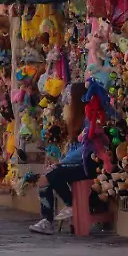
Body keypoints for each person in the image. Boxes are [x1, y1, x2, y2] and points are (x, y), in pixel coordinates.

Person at [31, 83, 96, 234]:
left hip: (88, 164)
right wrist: (62, 161)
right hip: (76, 163)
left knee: (51, 174)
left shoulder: (89, 120)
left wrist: (63, 162)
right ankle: (48, 218)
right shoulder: (76, 121)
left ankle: (69, 205)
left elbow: (86, 148)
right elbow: (73, 148)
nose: (67, 103)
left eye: (70, 99)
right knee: (45, 178)